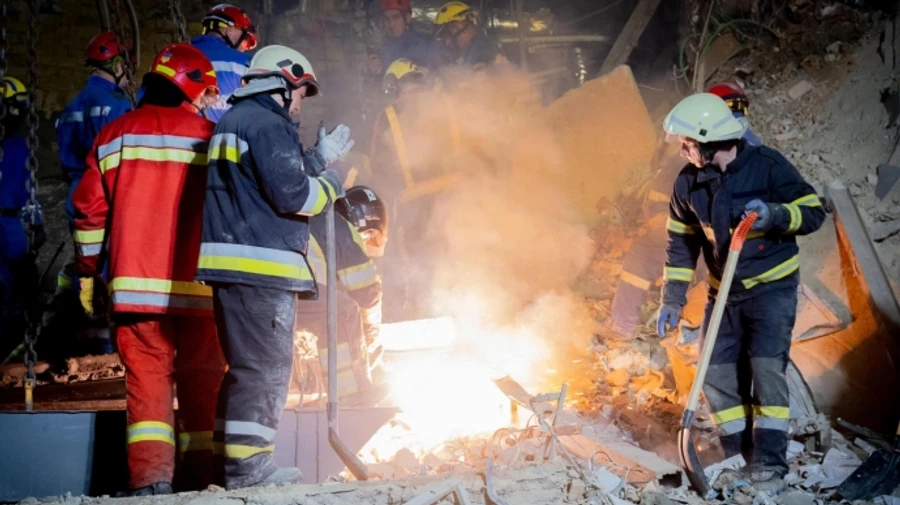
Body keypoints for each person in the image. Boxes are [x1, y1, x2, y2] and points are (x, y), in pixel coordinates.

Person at [72, 43, 224, 496]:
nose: (206, 102)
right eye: (206, 93)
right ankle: (204, 482)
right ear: (192, 88)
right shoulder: (211, 139)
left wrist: (86, 272)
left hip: (136, 292)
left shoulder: (115, 135)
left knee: (148, 386)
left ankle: (152, 481)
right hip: (202, 291)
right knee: (203, 385)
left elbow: (89, 214)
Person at [197, 44, 352, 489]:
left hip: (235, 265)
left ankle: (230, 469)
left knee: (244, 370)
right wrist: (332, 183)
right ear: (282, 83)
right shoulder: (268, 124)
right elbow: (295, 197)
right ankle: (250, 471)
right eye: (300, 93)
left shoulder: (235, 120)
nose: (301, 103)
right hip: (260, 267)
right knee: (265, 369)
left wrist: (316, 158)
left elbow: (266, 181)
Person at [656, 93, 825, 492]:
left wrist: (776, 215)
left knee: (766, 371)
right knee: (715, 372)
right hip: (724, 293)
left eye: (688, 143)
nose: (683, 149)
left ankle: (769, 463)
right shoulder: (687, 183)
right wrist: (672, 298)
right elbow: (681, 245)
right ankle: (736, 455)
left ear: (709, 141)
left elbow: (813, 210)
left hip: (771, 289)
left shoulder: (768, 167)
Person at [601, 90, 764, 342]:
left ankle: (623, 326)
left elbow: (669, 225)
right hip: (735, 257)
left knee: (641, 256)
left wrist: (664, 231)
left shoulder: (688, 165)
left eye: (684, 144)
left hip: (718, 256)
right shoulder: (753, 152)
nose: (681, 149)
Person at [295, 186, 386, 406]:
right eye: (368, 236)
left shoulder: (314, 219)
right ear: (364, 223)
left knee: (330, 308)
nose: (365, 242)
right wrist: (371, 337)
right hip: (295, 285)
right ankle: (354, 397)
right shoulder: (337, 224)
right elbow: (367, 292)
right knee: (343, 312)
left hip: (267, 285)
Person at [0, 76, 44, 354]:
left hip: (11, 224)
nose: (17, 113)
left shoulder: (18, 147)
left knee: (22, 282)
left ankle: (12, 349)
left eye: (21, 108)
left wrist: (37, 223)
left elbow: (29, 190)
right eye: (11, 107)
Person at [191, 3, 257, 122]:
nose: (244, 47)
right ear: (230, 30)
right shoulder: (245, 64)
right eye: (245, 37)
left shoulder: (174, 56)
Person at [367, 0, 433, 77]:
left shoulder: (424, 44)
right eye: (387, 19)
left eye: (396, 17)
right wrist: (370, 72)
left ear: (407, 18)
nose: (391, 25)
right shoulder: (379, 48)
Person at [432, 1, 507, 70]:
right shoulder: (470, 52)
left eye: (451, 30)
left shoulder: (485, 54)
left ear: (466, 26)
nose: (449, 41)